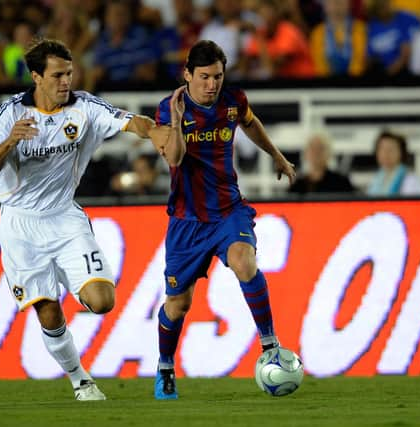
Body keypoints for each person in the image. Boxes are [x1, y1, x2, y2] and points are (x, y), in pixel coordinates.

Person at [0, 38, 160, 401]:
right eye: (57, 75)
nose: (66, 81)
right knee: (47, 310)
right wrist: (9, 142)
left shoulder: (84, 107)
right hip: (20, 223)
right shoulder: (11, 114)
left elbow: (128, 121)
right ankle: (81, 381)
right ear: (36, 77)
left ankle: (68, 274)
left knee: (102, 300)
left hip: (63, 216)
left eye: (69, 73)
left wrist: (152, 130)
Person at [150, 40, 296, 400]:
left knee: (244, 260)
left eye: (217, 76)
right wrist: (177, 117)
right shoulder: (168, 110)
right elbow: (175, 158)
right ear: (187, 75)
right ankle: (165, 366)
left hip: (228, 210)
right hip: (187, 221)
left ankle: (270, 344)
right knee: (178, 305)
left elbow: (249, 121)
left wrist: (276, 154)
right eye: (204, 77)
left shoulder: (233, 101)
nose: (212, 84)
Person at [289, 132, 355, 195]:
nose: (316, 153)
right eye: (312, 148)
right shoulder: (298, 185)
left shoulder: (342, 183)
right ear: (306, 153)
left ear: (329, 153)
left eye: (320, 148)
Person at [367, 130, 420, 196]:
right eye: (382, 149)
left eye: (390, 149)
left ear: (401, 152)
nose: (385, 153)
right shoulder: (376, 179)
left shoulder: (411, 181)